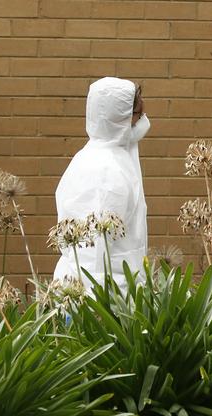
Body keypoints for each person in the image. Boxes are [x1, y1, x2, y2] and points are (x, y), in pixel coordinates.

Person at [53, 77, 150, 291]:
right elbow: (92, 252)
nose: (143, 121)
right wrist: (95, 309)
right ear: (120, 118)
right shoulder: (106, 170)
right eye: (138, 115)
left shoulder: (99, 156)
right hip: (104, 295)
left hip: (115, 286)